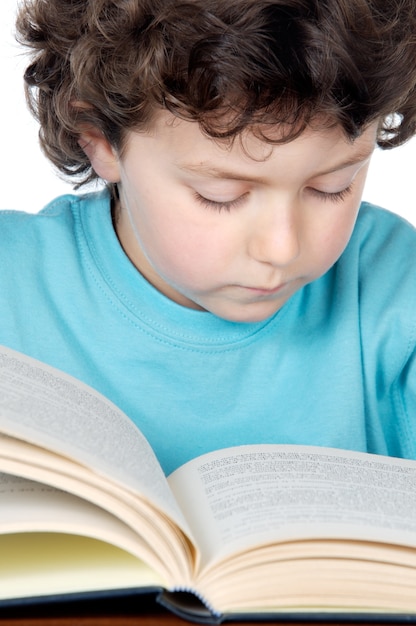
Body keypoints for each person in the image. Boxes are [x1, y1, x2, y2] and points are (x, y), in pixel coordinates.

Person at [1, 0, 416, 475]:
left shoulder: (397, 296)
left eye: (331, 188)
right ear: (98, 140)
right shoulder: (11, 287)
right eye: (221, 196)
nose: (281, 248)